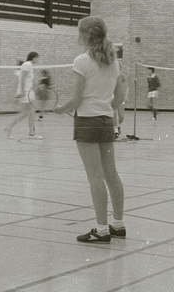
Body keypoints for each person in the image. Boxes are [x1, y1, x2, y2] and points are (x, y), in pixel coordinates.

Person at [53, 16, 125, 243]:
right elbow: (120, 96)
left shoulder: (82, 61)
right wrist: (105, 107)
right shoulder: (113, 61)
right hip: (106, 121)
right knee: (111, 174)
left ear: (85, 35)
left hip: (87, 122)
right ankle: (118, 225)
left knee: (95, 177)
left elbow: (76, 100)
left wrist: (61, 109)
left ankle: (101, 230)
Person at [5, 52, 39, 138]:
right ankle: (32, 133)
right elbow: (23, 78)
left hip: (28, 91)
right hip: (27, 92)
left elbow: (27, 79)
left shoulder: (28, 65)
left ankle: (9, 127)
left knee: (26, 113)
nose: (38, 59)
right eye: (37, 57)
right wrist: (23, 91)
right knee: (31, 111)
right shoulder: (27, 64)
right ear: (33, 57)